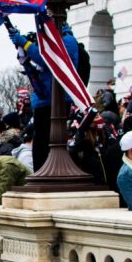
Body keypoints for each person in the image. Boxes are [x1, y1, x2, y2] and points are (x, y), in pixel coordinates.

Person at [9, 23, 79, 172]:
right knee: (40, 141)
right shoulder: (53, 38)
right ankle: (41, 172)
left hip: (56, 99)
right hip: (44, 99)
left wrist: (24, 43)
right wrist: (25, 55)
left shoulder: (67, 40)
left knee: (48, 141)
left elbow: (48, 59)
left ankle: (48, 173)